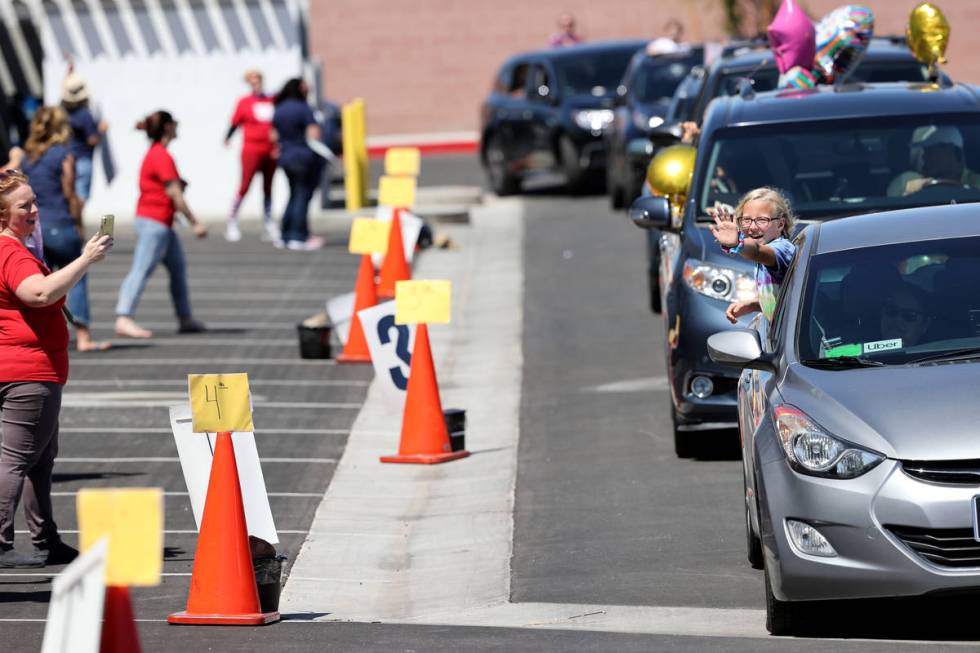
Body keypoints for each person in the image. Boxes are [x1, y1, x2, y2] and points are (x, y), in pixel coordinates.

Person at [0, 170, 113, 567]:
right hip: (27, 370)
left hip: (22, 366)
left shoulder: (14, 248)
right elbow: (40, 292)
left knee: (40, 459)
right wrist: (86, 259)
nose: (34, 210)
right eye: (24, 205)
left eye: (34, 202)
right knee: (17, 459)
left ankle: (45, 537)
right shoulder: (11, 252)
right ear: (2, 215)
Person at [6, 107, 110, 352]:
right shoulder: (64, 154)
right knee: (76, 277)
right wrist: (78, 223)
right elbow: (69, 193)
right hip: (60, 223)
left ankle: (39, 334)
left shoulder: (25, 156)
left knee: (41, 282)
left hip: (33, 230)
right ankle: (83, 335)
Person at [114, 111, 208, 339]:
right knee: (142, 268)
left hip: (162, 222)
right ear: (167, 127)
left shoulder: (159, 154)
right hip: (154, 223)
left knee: (178, 270)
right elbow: (174, 193)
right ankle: (124, 318)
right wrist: (195, 223)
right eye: (174, 124)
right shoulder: (161, 156)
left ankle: (184, 318)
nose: (177, 127)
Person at [709, 187, 797, 323]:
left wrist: (738, 244)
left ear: (780, 224)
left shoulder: (782, 248)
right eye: (746, 220)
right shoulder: (763, 253)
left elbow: (757, 251)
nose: (753, 227)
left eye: (762, 220)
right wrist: (754, 305)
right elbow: (783, 300)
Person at [224, 69, 278, 243]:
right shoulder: (244, 102)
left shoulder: (272, 100)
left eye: (258, 81)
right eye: (253, 82)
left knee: (268, 187)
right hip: (251, 149)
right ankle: (232, 220)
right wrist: (228, 137)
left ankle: (269, 222)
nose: (257, 85)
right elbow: (235, 122)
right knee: (245, 185)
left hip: (270, 149)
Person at [272, 79, 325, 251]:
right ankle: (297, 236)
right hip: (302, 157)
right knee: (302, 196)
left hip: (285, 156)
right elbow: (314, 134)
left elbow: (272, 136)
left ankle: (285, 234)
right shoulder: (304, 108)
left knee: (293, 195)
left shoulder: (279, 109)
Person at [887, 125, 980, 196]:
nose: (924, 157)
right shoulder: (906, 182)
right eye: (925, 152)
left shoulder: (975, 184)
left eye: (930, 152)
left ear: (952, 153)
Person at [61, 71, 106, 214]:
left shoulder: (63, 112)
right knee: (81, 197)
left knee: (69, 195)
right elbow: (92, 139)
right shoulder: (84, 114)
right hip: (83, 159)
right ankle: (76, 224)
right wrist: (101, 131)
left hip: (67, 158)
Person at [878, 283, 932, 347]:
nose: (898, 320)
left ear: (925, 325)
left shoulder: (939, 354)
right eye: (891, 310)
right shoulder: (864, 350)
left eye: (910, 315)